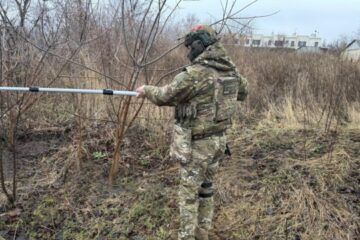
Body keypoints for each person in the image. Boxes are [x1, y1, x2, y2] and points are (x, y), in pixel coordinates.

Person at [136, 25, 248, 240]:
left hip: (198, 146)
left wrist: (146, 90)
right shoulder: (231, 71)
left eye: (190, 47)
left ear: (200, 45)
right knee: (206, 189)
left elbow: (165, 96)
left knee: (188, 196)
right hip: (219, 143)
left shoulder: (195, 74)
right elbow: (244, 91)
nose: (188, 52)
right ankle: (203, 233)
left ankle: (187, 237)